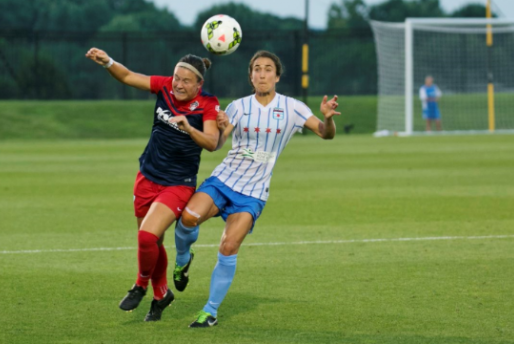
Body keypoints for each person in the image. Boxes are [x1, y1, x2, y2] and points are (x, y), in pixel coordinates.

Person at [171, 50, 340, 328]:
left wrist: (329, 118)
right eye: (257, 69)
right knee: (187, 218)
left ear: (277, 76)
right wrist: (223, 127)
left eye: (267, 69)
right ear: (251, 76)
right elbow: (219, 144)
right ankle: (182, 258)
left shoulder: (293, 107)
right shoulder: (238, 106)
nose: (262, 74)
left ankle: (209, 311)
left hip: (253, 192)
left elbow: (325, 132)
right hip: (224, 179)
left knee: (228, 246)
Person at [85, 47, 221, 321]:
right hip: (147, 176)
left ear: (199, 84)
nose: (178, 84)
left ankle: (140, 284)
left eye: (185, 81)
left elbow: (213, 143)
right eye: (176, 78)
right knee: (154, 242)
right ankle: (161, 295)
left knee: (146, 237)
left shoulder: (208, 104)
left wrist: (189, 128)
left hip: (178, 184)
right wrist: (108, 62)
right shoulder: (165, 87)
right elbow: (128, 76)